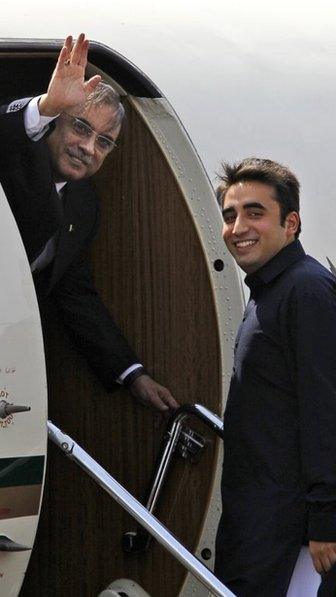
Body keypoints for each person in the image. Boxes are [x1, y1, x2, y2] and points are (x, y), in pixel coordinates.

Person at [0, 33, 178, 415]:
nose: (89, 147)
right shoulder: (13, 153)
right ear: (53, 123)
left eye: (104, 142)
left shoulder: (83, 205)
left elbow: (73, 294)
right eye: (81, 127)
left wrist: (131, 373)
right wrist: (45, 107)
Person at [214, 158, 336, 596]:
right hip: (260, 529)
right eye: (230, 215)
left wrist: (326, 521)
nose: (238, 226)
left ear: (291, 223)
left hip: (295, 542)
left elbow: (325, 412)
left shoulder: (305, 290)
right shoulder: (270, 291)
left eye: (254, 212)